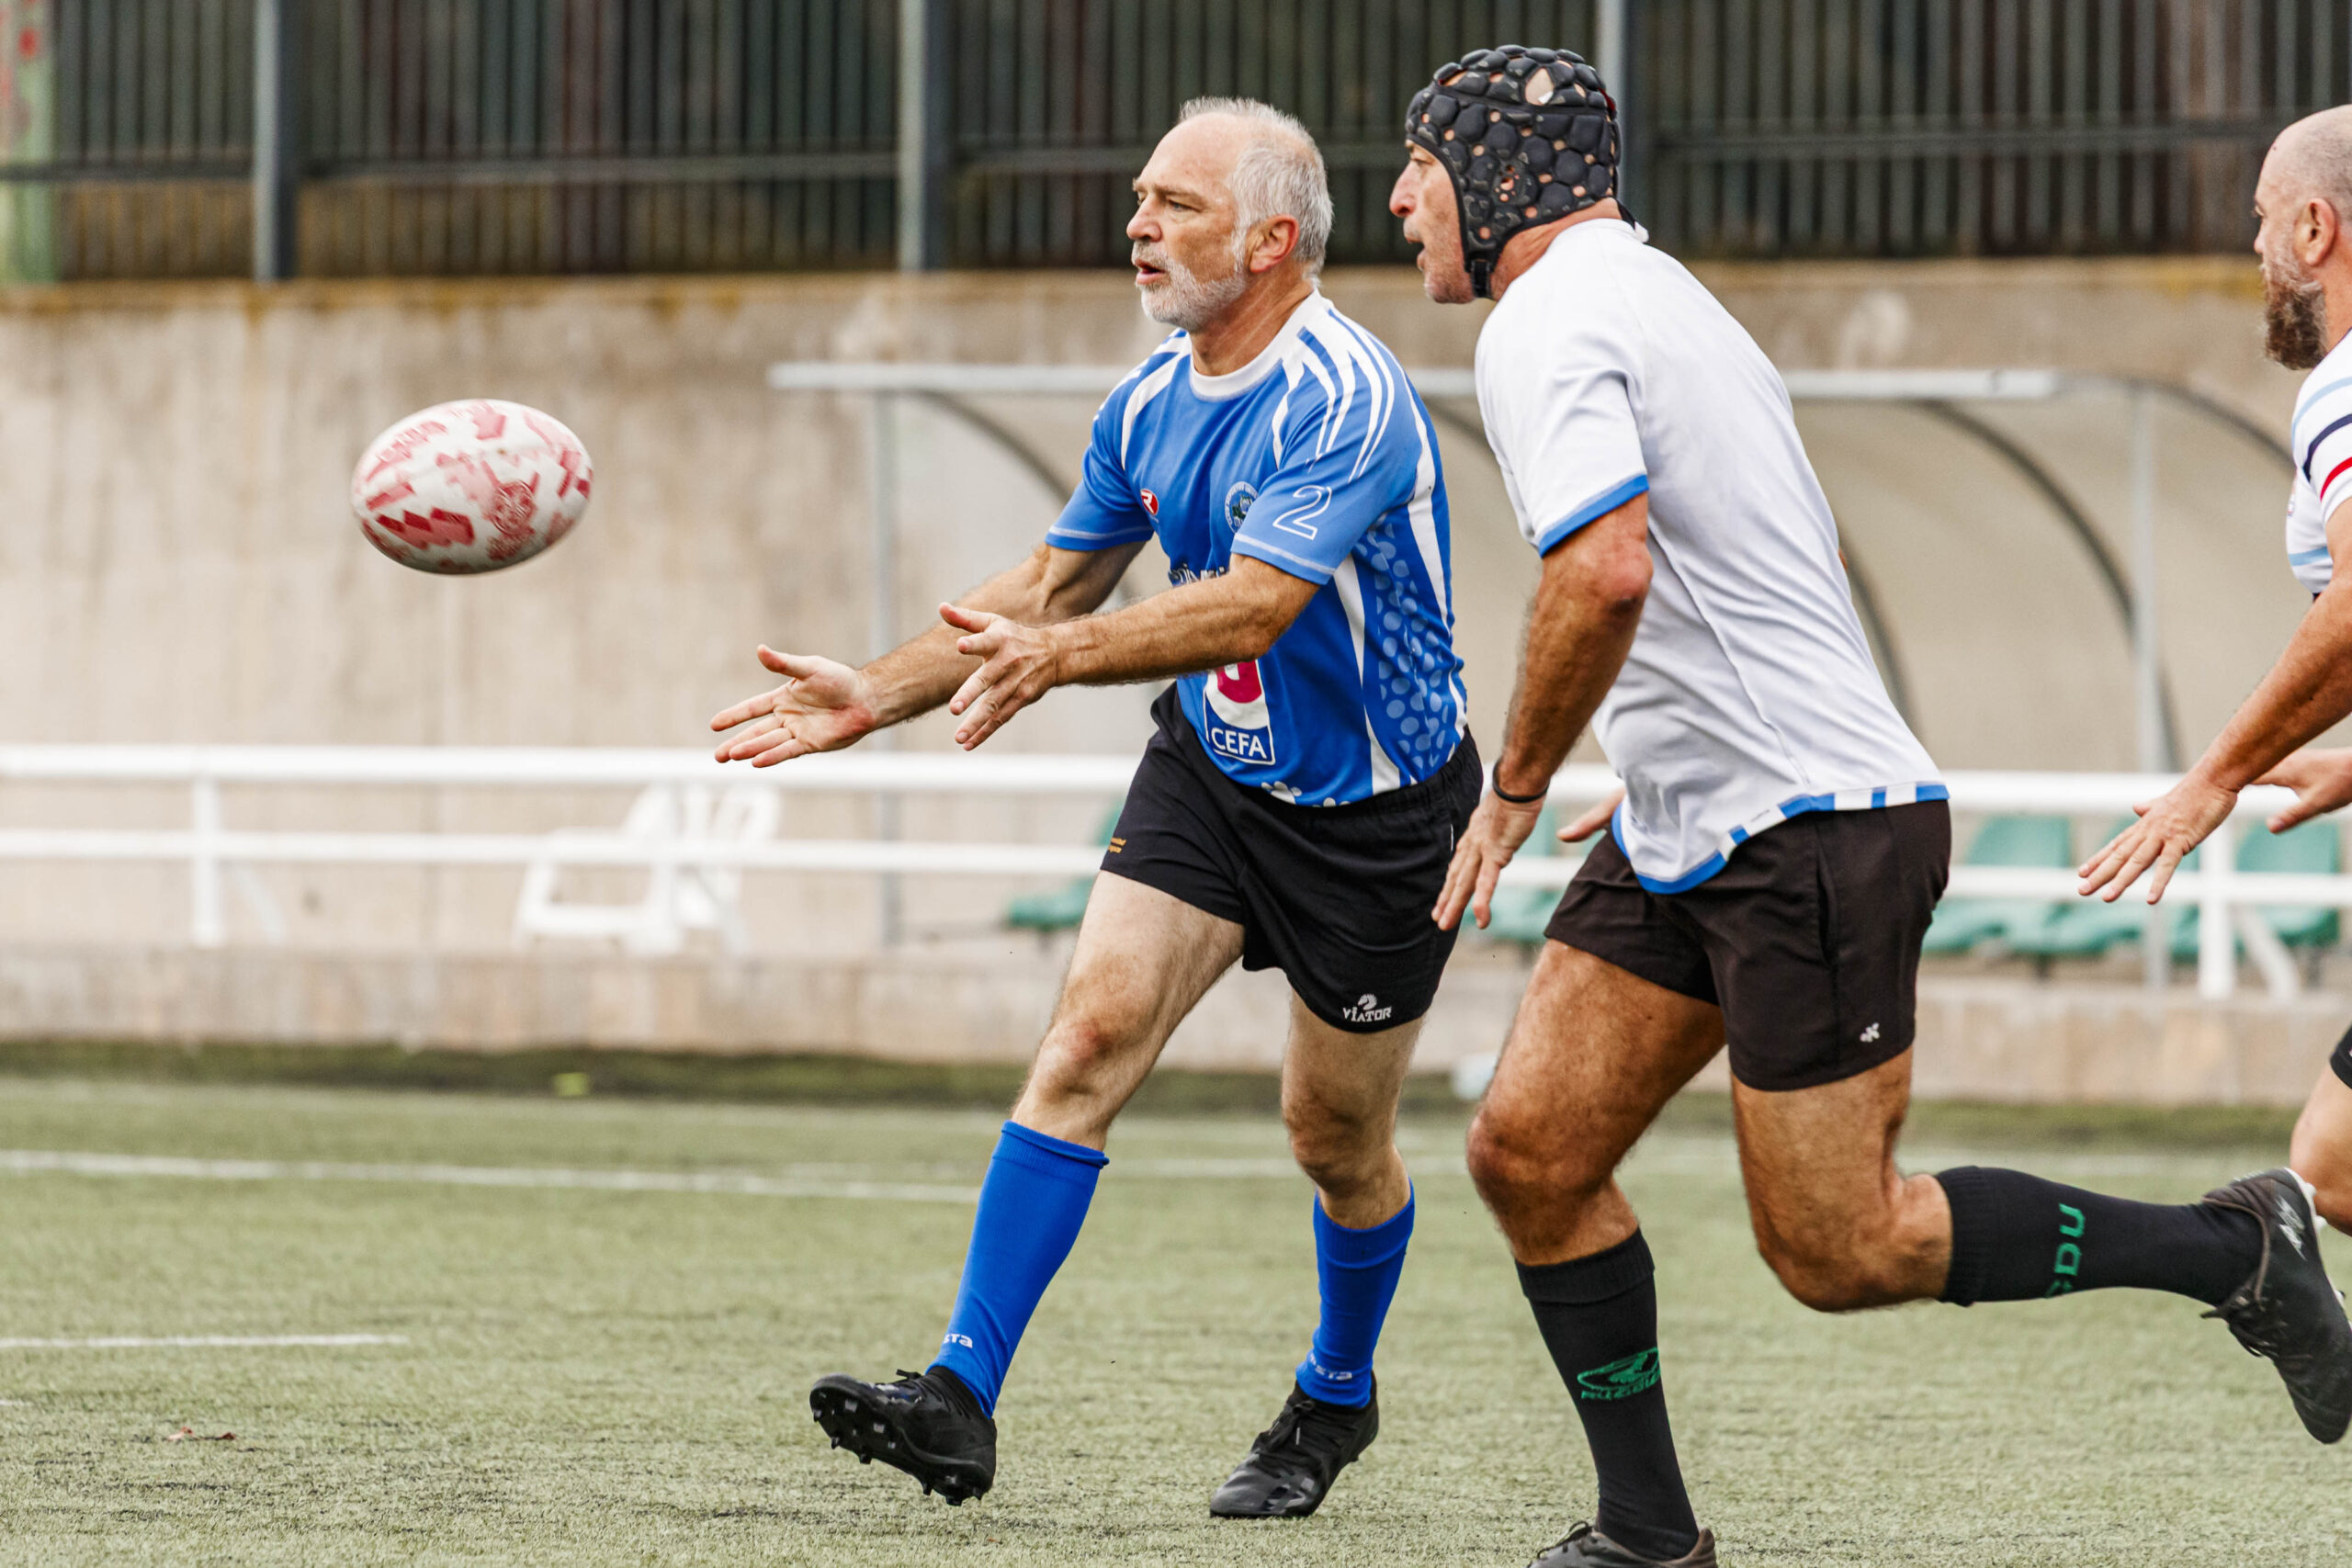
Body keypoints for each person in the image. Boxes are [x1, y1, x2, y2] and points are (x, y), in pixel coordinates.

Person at [1389, 45, 2352, 1568]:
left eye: (1422, 168)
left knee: (1844, 1248)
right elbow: (1779, 552)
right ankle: (1648, 1532)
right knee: (1528, 1150)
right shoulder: (1659, 296)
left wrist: (1513, 788)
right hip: (1698, 816)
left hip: (1806, 829)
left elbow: (1606, 569)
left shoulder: (1549, 318)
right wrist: (1661, 747)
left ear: (1501, 177)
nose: (1399, 200)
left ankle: (2235, 1249)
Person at [711, 98, 1476, 1517]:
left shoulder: (1345, 394)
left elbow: (1257, 599)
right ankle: (960, 1390)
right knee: (1087, 1037)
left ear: (1269, 239)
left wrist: (1059, 658)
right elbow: (1052, 588)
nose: (1138, 223)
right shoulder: (1146, 398)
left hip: (1378, 816)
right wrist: (874, 693)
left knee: (1334, 1139)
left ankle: (1337, 1393)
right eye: (1139, 196)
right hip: (1214, 770)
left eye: (1174, 203)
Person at [2077, 106, 2352, 1234]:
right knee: (2334, 1160)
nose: (2252, 250)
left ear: (2315, 225)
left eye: (2258, 221)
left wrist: (2214, 776)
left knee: (2334, 1164)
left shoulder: (2340, 390)